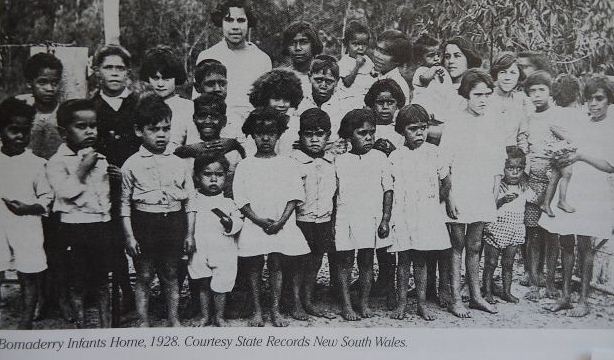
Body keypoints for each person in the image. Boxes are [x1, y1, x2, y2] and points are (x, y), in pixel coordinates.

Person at [540, 76, 614, 317]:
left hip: (593, 190)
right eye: (590, 99)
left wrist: (580, 156)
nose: (594, 104)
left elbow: (610, 165)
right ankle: (564, 297)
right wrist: (562, 154)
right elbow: (567, 143)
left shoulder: (611, 126)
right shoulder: (582, 121)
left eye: (599, 99)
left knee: (585, 246)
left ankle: (583, 299)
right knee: (566, 242)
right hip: (572, 187)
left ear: (609, 100)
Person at [120, 95, 196, 327]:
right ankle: (144, 321)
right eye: (153, 129)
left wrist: (189, 234)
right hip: (145, 224)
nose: (161, 134)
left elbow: (190, 201)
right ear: (138, 131)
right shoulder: (131, 164)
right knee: (143, 275)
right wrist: (130, 236)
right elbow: (124, 204)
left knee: (171, 274)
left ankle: (174, 319)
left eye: (166, 128)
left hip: (172, 222)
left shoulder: (178, 163)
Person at [233, 107, 310, 326]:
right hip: (254, 223)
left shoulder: (286, 163)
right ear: (252, 135)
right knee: (254, 265)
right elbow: (241, 199)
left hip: (281, 223)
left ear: (278, 135)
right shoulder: (246, 165)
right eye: (259, 133)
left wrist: (281, 221)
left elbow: (294, 196)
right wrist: (257, 220)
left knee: (277, 263)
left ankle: (275, 309)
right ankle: (257, 309)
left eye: (271, 133)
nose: (265, 138)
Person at [439, 69, 503, 317]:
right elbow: (444, 163)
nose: (483, 99)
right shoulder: (455, 122)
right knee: (457, 244)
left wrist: (494, 193)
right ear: (466, 94)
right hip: (460, 189)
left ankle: (475, 296)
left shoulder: (493, 121)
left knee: (475, 245)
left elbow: (498, 160)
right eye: (478, 94)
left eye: (487, 94)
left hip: (482, 190)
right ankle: (456, 298)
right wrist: (450, 196)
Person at [46, 99, 113, 328]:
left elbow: (103, 196)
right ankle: (81, 330)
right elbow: (65, 193)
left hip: (99, 226)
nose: (90, 131)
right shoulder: (57, 162)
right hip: (73, 228)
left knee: (103, 281)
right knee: (78, 282)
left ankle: (107, 329)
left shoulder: (99, 157)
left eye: (93, 125)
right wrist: (82, 169)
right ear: (63, 132)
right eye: (81, 126)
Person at [388, 104, 453, 321]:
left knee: (421, 262)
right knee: (403, 261)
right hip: (403, 215)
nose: (419, 133)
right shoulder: (396, 156)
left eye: (423, 128)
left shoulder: (434, 153)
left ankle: (422, 304)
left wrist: (433, 203)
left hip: (426, 215)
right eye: (413, 128)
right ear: (401, 130)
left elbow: (446, 182)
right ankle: (402, 304)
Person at [90, 43, 137, 316]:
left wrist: (128, 170)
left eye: (120, 68)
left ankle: (140, 290)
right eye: (109, 67)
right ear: (98, 71)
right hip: (102, 186)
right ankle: (121, 293)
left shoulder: (136, 105)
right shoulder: (91, 107)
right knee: (111, 241)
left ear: (128, 72)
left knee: (135, 237)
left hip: (132, 183)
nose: (115, 73)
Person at [334, 109, 393, 321]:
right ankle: (346, 305)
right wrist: (334, 224)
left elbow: (388, 189)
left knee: (367, 261)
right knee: (345, 262)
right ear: (349, 136)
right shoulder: (339, 161)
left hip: (371, 218)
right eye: (362, 133)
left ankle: (364, 302)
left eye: (372, 133)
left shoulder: (380, 158)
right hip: (346, 217)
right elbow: (335, 193)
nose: (368, 138)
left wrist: (385, 218)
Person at [521, 71, 574, 300]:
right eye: (532, 91)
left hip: (553, 179)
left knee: (551, 236)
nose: (536, 95)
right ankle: (534, 282)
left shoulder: (559, 116)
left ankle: (551, 283)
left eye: (541, 90)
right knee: (532, 235)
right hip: (533, 179)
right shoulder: (528, 117)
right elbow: (522, 146)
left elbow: (570, 142)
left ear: (550, 91)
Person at [0, 98, 52, 329]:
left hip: (27, 221)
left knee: (29, 271)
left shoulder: (36, 164)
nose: (20, 136)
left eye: (24, 131)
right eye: (13, 130)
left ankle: (26, 320)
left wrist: (29, 208)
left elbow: (47, 199)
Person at [194, 0, 272, 139]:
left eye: (241, 20)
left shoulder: (262, 59)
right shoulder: (207, 56)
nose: (235, 26)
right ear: (221, 22)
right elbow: (197, 103)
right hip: (215, 132)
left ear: (249, 22)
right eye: (229, 20)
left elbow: (267, 106)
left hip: (251, 134)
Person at [288, 108, 337, 319]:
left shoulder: (332, 161)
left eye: (320, 134)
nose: (314, 140)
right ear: (300, 137)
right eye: (309, 135)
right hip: (301, 221)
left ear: (328, 136)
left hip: (323, 220)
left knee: (316, 261)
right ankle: (295, 302)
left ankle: (308, 300)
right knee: (298, 263)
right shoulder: (293, 162)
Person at [188, 155, 243, 327]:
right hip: (200, 249)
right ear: (197, 176)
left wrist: (230, 224)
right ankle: (205, 315)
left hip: (223, 250)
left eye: (219, 175)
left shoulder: (229, 202)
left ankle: (219, 316)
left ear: (226, 177)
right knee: (203, 283)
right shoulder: (193, 201)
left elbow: (239, 221)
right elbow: (188, 222)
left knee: (221, 284)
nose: (213, 179)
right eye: (207, 174)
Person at [482, 146, 537, 305]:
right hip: (496, 229)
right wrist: (502, 200)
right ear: (502, 168)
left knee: (508, 263)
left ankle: (506, 292)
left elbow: (536, 200)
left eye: (519, 169)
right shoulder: (497, 187)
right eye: (510, 168)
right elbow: (490, 207)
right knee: (490, 263)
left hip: (515, 230)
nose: (514, 172)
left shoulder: (523, 187)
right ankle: (487, 292)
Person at [174, 94, 246, 196]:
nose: (208, 121)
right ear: (194, 119)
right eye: (202, 116)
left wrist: (236, 145)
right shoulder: (188, 152)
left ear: (224, 121)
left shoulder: (233, 153)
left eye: (215, 116)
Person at [140, 46, 193, 150]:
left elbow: (192, 144)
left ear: (176, 78)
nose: (160, 84)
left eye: (166, 78)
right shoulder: (144, 105)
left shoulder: (188, 107)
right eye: (155, 78)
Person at [247, 69, 304, 156]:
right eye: (276, 99)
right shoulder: (257, 124)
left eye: (286, 99)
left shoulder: (297, 124)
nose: (282, 105)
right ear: (265, 99)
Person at [18, 53, 64, 160]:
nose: (50, 88)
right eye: (42, 82)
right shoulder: (21, 112)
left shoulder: (65, 113)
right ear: (29, 83)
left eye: (54, 82)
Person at [411, 34, 453, 122]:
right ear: (419, 60)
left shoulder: (440, 69)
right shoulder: (422, 70)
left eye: (438, 54)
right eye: (431, 55)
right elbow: (424, 80)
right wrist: (434, 69)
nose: (436, 58)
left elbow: (446, 86)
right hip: (423, 108)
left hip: (438, 107)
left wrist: (441, 75)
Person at [337, 21, 375, 111]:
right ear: (347, 44)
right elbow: (347, 82)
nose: (360, 48)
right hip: (349, 99)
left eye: (364, 44)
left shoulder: (367, 59)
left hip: (365, 98)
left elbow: (372, 72)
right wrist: (357, 66)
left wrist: (374, 74)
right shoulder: (345, 61)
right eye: (355, 44)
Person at [281, 21, 323, 96]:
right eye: (292, 43)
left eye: (303, 42)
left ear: (313, 44)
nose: (297, 48)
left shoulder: (326, 76)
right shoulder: (281, 78)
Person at [364, 79, 406, 152]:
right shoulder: (365, 130)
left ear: (397, 105)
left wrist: (394, 152)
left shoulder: (403, 131)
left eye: (390, 102)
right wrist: (372, 149)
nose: (385, 107)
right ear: (373, 104)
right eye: (380, 102)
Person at [372, 30, 412, 102]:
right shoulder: (370, 73)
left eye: (385, 53)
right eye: (377, 49)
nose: (377, 55)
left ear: (397, 60)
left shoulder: (399, 85)